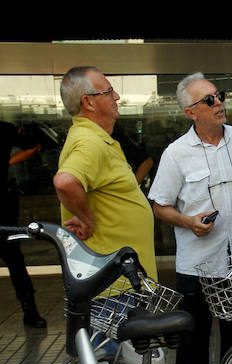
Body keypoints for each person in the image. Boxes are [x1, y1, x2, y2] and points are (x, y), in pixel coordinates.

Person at [148, 72, 232, 364]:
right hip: (197, 267)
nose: (220, 104)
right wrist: (187, 221)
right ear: (191, 112)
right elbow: (160, 205)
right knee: (192, 344)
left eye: (220, 95)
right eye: (210, 100)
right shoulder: (176, 153)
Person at [53, 66, 157, 280]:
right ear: (88, 102)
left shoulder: (94, 138)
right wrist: (86, 219)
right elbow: (65, 182)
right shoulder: (89, 142)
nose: (117, 97)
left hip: (121, 281)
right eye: (109, 92)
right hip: (115, 287)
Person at [1, 121, 45, 327]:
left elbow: (34, 146)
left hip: (3, 211)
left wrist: (8, 162)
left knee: (15, 261)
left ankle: (30, 310)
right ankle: (30, 312)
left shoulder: (4, 129)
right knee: (15, 261)